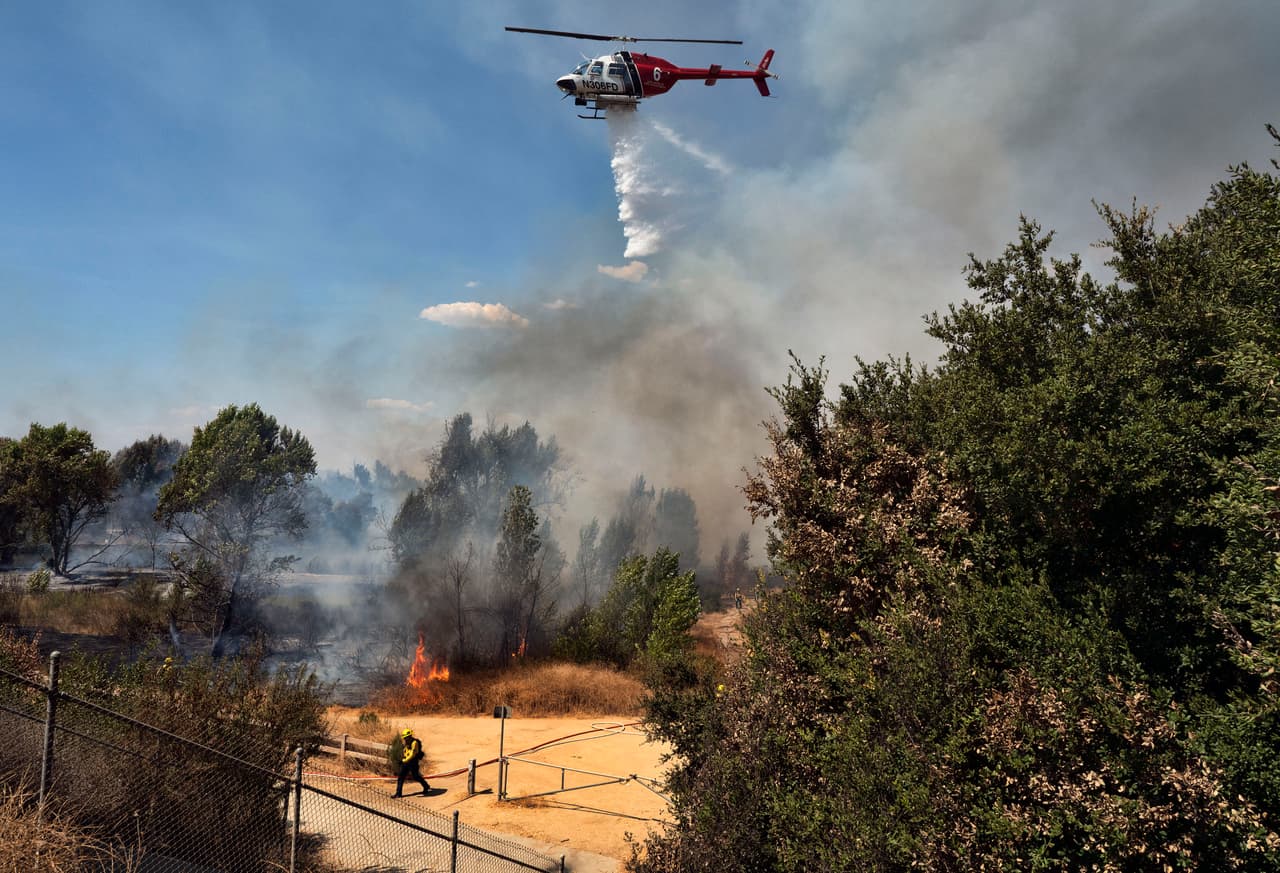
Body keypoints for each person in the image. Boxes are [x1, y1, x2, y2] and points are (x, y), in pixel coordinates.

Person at [393, 728, 431, 797]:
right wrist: (403, 758)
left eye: (406, 738)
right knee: (401, 777)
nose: (405, 739)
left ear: (410, 736)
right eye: (404, 738)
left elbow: (412, 754)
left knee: (416, 776)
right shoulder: (407, 743)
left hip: (413, 762)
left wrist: (404, 760)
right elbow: (406, 751)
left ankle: (426, 786)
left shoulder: (415, 743)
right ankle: (398, 793)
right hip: (406, 762)